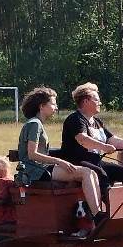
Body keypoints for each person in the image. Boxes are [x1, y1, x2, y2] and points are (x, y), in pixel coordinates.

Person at [17, 86, 106, 230]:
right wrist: (59, 161)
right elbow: (32, 154)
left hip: (40, 168)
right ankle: (97, 215)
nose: (56, 107)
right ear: (42, 106)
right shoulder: (34, 124)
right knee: (86, 173)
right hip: (35, 171)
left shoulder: (37, 124)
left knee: (91, 173)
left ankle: (96, 214)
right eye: (53, 103)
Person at [60, 82, 123, 196]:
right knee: (101, 174)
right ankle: (104, 210)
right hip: (76, 161)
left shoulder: (97, 122)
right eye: (96, 100)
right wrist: (104, 147)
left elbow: (112, 139)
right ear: (86, 101)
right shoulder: (75, 119)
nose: (100, 103)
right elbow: (82, 139)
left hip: (95, 161)